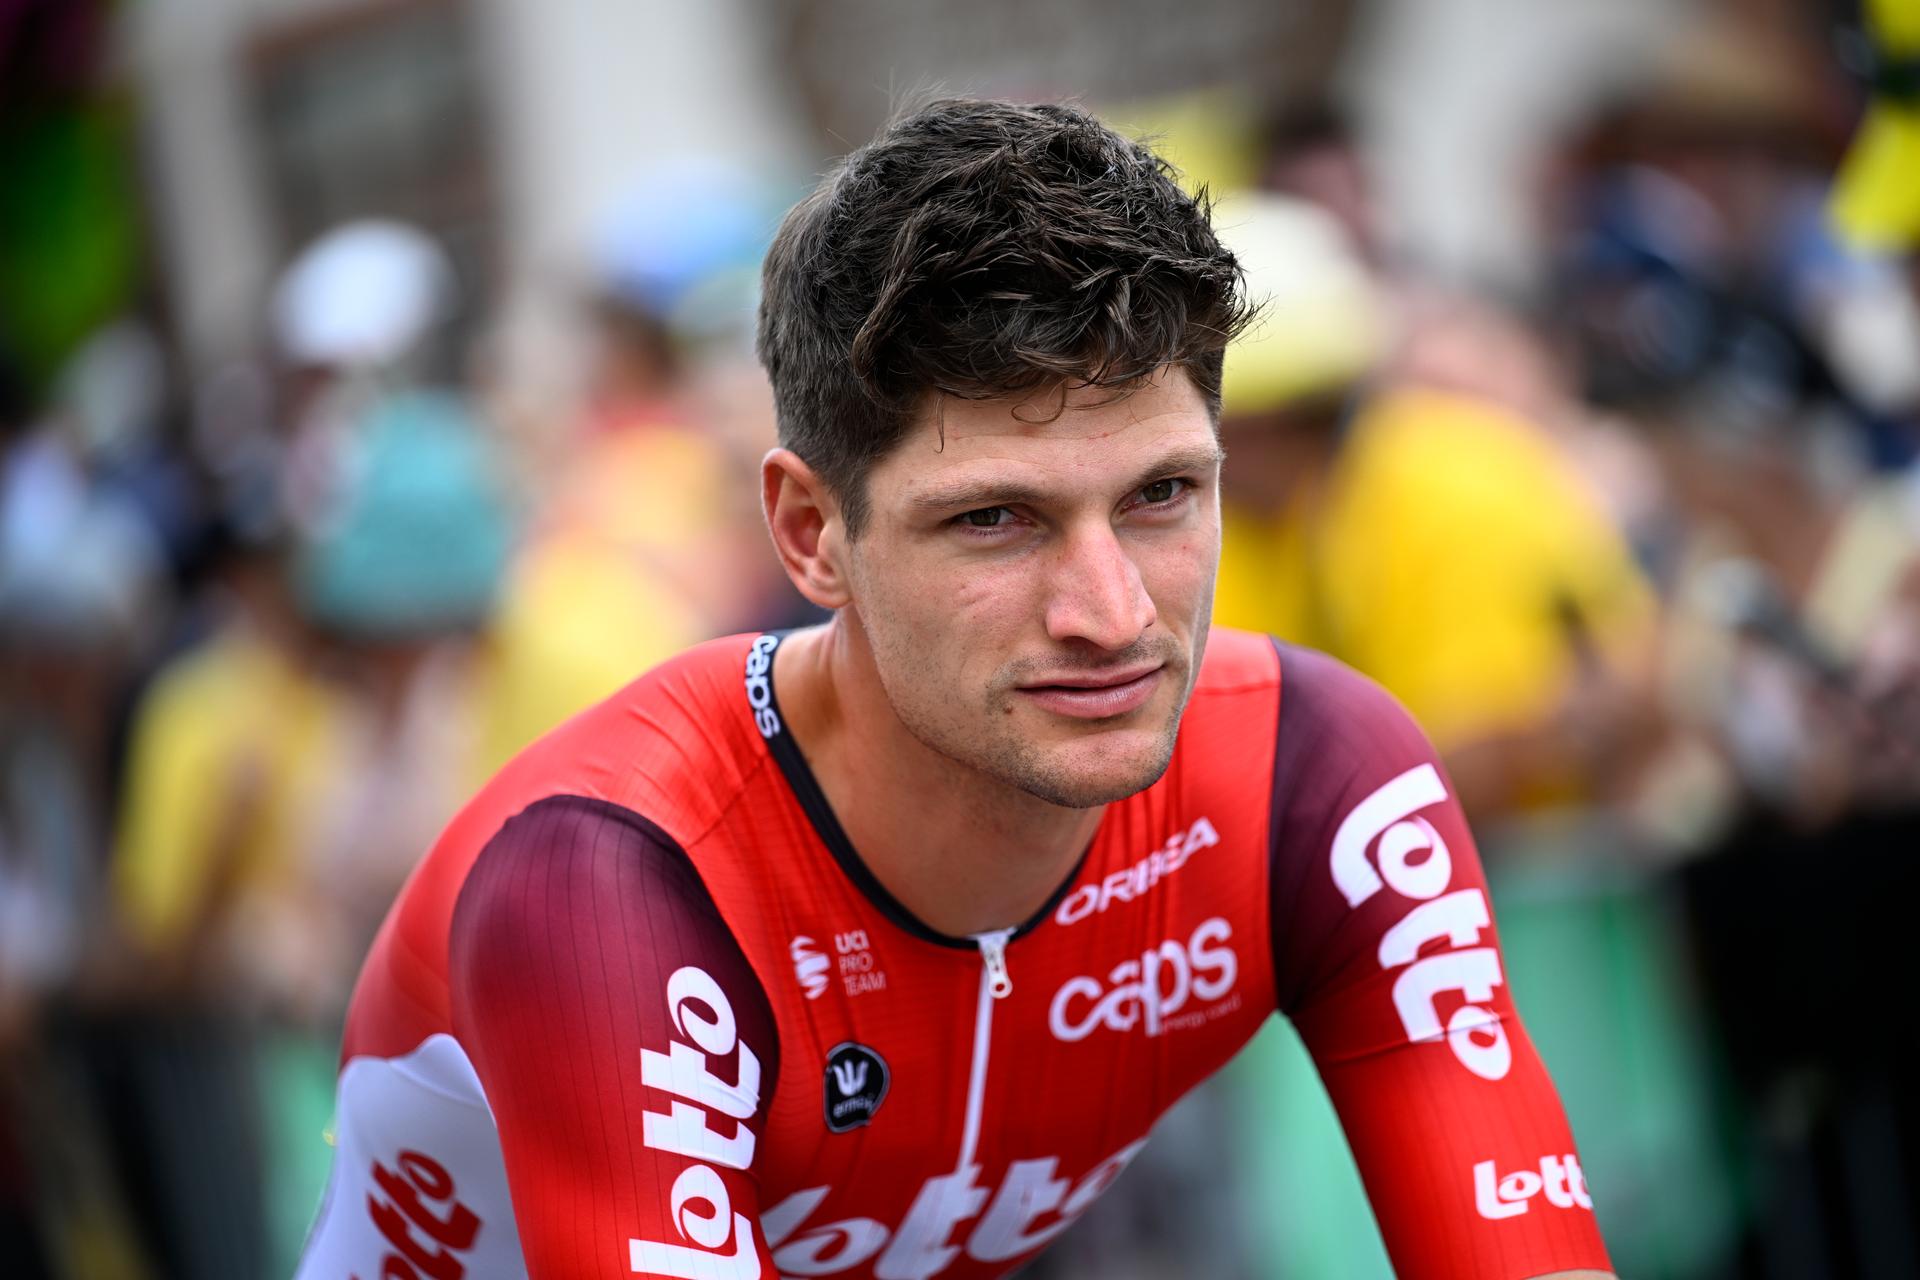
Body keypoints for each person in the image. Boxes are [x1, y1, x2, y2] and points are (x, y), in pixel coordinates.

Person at [296, 100, 1614, 1280]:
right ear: (812, 535)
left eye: (1162, 495)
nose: (1111, 615)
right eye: (994, 519)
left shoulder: (1319, 786)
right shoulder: (612, 886)